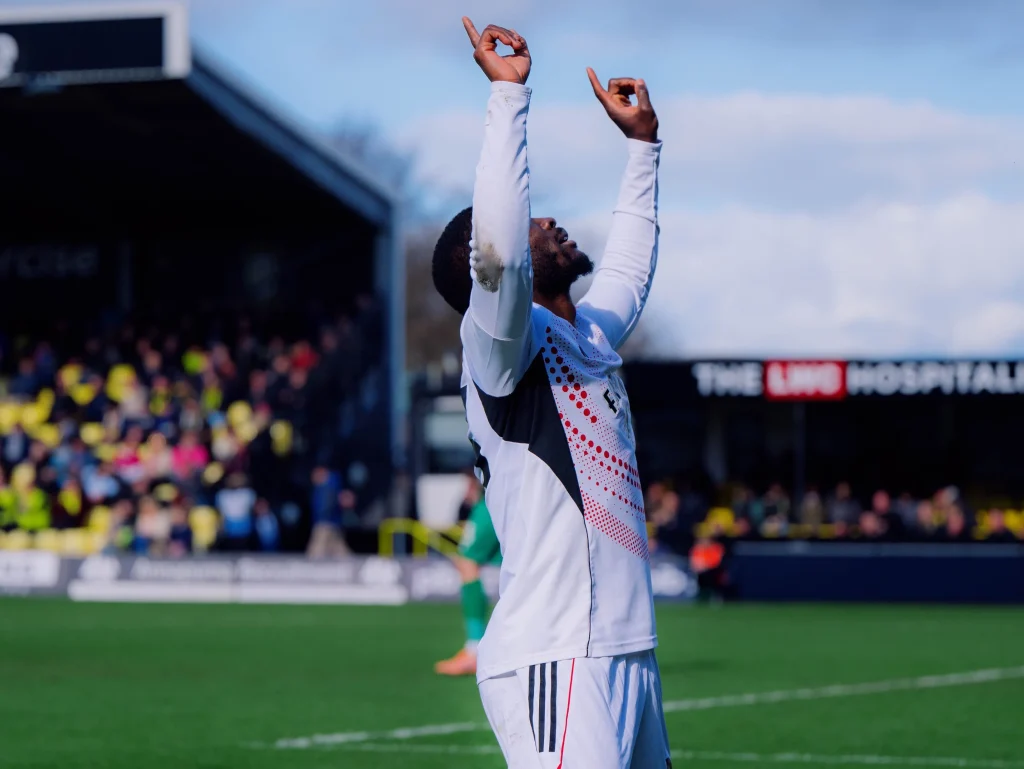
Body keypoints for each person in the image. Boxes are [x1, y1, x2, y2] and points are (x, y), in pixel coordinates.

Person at [431, 18, 669, 766]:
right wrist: (510, 98)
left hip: (626, 649)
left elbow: (629, 273)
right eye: (530, 223)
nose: (547, 220)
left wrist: (643, 149)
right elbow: (498, 243)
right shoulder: (499, 349)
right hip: (556, 656)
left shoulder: (586, 339)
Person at [435, 473, 501, 677]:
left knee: (466, 562)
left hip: (496, 496)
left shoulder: (488, 504)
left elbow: (467, 562)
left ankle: (474, 650)